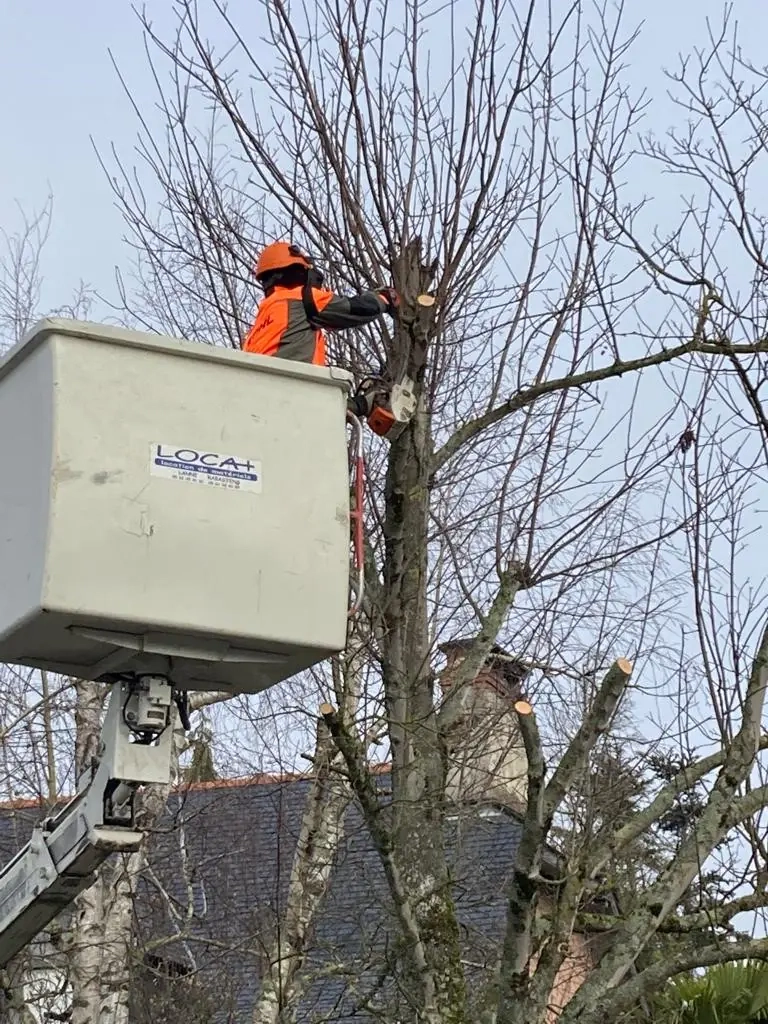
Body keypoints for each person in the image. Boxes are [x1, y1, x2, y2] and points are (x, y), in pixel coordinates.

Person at [242, 241, 399, 367]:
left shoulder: (259, 322)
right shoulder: (302, 298)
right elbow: (356, 309)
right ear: (298, 271)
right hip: (295, 387)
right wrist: (385, 298)